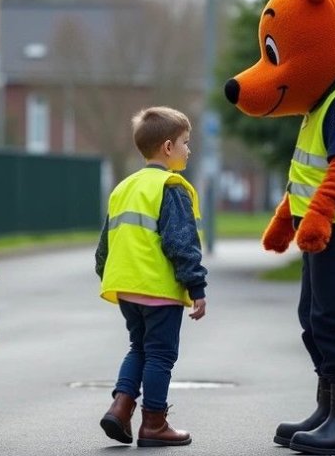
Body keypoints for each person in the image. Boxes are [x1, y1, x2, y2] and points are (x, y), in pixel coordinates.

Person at [96, 106, 208, 447]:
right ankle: (154, 423)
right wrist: (196, 285)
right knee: (160, 355)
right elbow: (181, 242)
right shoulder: (172, 186)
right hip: (158, 288)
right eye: (187, 143)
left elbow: (105, 245)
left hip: (126, 288)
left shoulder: (124, 188)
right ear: (169, 147)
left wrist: (109, 274)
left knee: (138, 348)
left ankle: (120, 407)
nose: (190, 149)